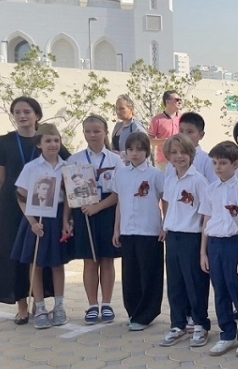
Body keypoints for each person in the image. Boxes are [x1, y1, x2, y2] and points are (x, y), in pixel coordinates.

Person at [0, 97, 69, 323]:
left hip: (48, 209)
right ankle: (22, 306)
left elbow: (73, 170)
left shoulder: (50, 138)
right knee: (17, 257)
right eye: (17, 112)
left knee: (48, 258)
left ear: (36, 115)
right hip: (13, 208)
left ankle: (50, 304)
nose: (22, 115)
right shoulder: (5, 142)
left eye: (27, 111)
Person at [199, 141, 238, 357]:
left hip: (236, 243)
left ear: (235, 164)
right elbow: (206, 220)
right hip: (215, 244)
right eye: (215, 163)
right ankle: (227, 334)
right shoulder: (210, 189)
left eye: (223, 163)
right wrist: (203, 252)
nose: (218, 167)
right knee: (220, 290)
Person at [65, 115, 125, 325]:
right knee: (89, 261)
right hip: (83, 212)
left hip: (107, 210)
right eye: (88, 131)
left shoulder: (115, 160)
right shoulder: (75, 160)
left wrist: (98, 206)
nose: (92, 135)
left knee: (107, 259)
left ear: (106, 132)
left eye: (97, 131)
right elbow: (69, 194)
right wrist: (66, 220)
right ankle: (92, 305)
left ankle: (106, 304)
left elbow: (119, 192)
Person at [159, 134, 210, 348]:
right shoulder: (170, 178)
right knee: (175, 283)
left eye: (183, 152)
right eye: (174, 152)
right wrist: (165, 226)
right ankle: (178, 324)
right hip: (173, 236)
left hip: (192, 237)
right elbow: (168, 205)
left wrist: (203, 248)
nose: (179, 156)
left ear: (191, 154)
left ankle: (200, 324)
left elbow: (206, 213)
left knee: (195, 282)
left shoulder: (198, 180)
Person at [111, 132, 165, 331]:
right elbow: (120, 203)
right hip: (128, 231)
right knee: (130, 274)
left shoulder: (155, 174)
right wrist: (116, 229)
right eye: (131, 149)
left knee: (149, 274)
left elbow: (165, 199)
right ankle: (133, 312)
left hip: (150, 230)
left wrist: (165, 225)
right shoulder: (121, 174)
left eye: (140, 149)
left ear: (147, 152)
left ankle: (147, 314)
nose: (135, 153)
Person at [165, 112, 216, 183]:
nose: (184, 135)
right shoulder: (173, 161)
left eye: (190, 132)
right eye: (181, 131)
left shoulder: (207, 161)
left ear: (201, 135)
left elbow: (214, 185)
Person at [149, 90, 182, 171]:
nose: (179, 102)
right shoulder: (157, 120)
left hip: (181, 160)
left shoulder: (183, 119)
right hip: (164, 161)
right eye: (177, 100)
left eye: (180, 99)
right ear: (167, 102)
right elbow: (150, 141)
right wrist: (166, 141)